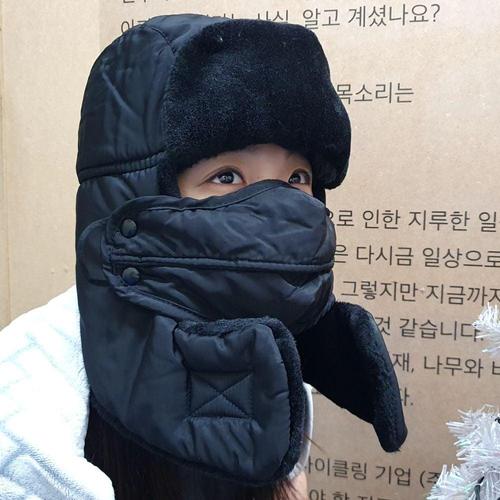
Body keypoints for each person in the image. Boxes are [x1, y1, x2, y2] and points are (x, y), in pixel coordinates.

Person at [1, 12, 407, 500]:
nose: (280, 210)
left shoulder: (277, 355)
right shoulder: (26, 402)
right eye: (227, 176)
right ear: (137, 195)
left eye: (296, 178)